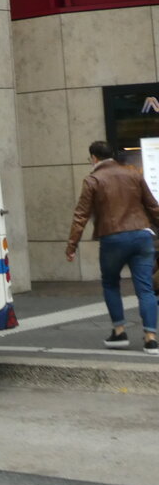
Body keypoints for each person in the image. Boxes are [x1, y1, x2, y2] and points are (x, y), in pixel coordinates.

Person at [66, 141, 159, 355]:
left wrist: (72, 246)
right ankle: (151, 338)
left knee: (110, 283)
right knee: (145, 288)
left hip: (113, 238)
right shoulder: (133, 174)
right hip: (141, 235)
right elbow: (153, 206)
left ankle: (119, 332)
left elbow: (81, 215)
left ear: (94, 158)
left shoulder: (93, 179)